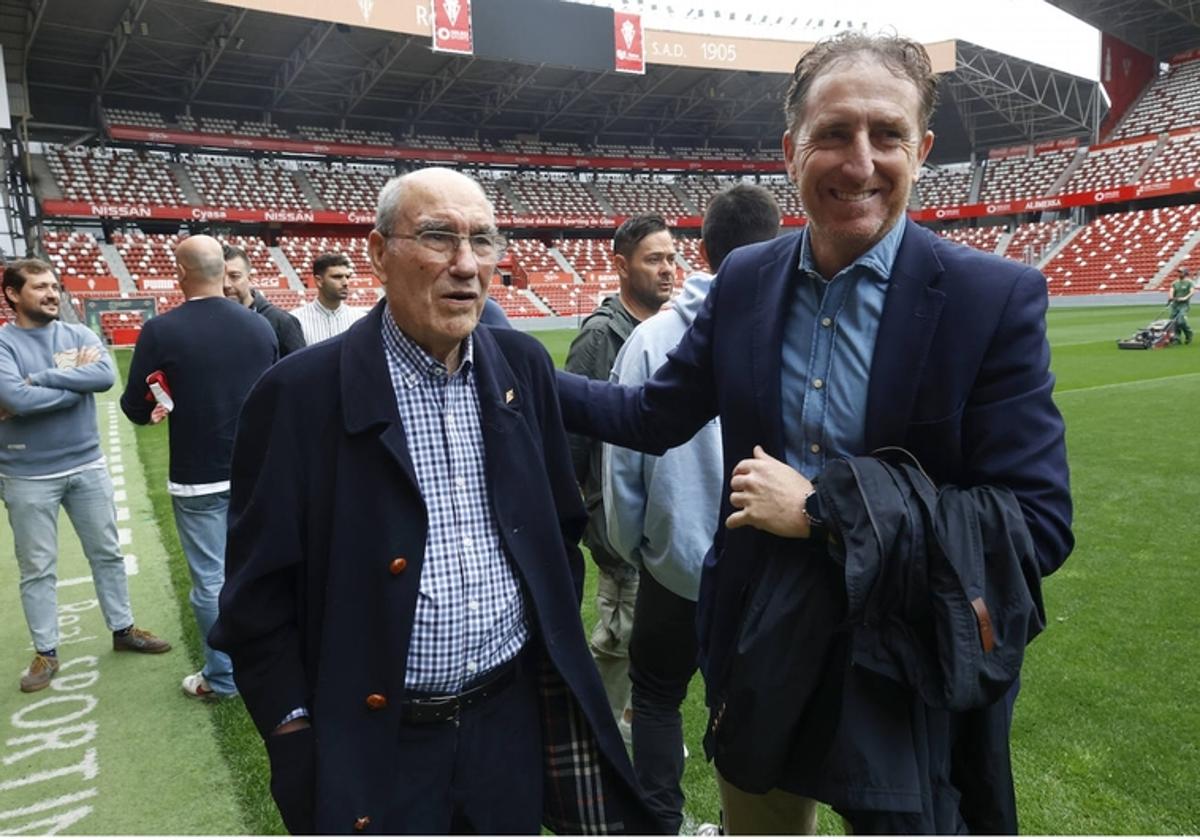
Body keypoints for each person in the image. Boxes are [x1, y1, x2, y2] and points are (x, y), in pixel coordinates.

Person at [557, 31, 1073, 834]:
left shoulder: (991, 298)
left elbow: (1036, 527)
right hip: (761, 636)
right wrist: (516, 375)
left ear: (922, 148)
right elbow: (655, 416)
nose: (860, 163)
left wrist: (824, 513)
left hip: (912, 659)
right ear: (791, 147)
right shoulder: (747, 279)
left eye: (887, 135)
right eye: (834, 133)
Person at [210, 167, 661, 835]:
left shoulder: (523, 366)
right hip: (378, 744)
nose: (466, 264)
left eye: (483, 240)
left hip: (508, 727)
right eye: (438, 237)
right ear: (377, 252)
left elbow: (557, 530)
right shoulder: (298, 396)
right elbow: (255, 602)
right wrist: (294, 735)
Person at [602, 184, 781, 832]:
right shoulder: (802, 333)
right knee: (757, 703)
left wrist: (637, 550)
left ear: (701, 251)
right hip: (768, 571)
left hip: (675, 567)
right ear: (783, 239)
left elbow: (622, 468)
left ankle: (658, 826)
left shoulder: (651, 340)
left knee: (655, 696)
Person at [1, 259, 170, 693]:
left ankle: (123, 628)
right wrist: (70, 389)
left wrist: (41, 379)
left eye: (54, 285)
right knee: (37, 566)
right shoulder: (4, 344)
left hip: (87, 463)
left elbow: (103, 377)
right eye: (39, 287)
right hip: (27, 473)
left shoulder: (77, 333)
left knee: (107, 553)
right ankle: (47, 651)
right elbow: (12, 397)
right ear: (13, 295)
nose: (51, 293)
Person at [120, 235, 277, 700]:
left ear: (181, 273)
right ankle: (269, 660)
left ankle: (224, 677)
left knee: (210, 580)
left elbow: (134, 404)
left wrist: (158, 403)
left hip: (198, 473)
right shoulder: (258, 326)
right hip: (255, 470)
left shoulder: (161, 331)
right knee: (256, 571)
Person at [565, 212, 677, 742]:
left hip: (663, 524)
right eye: (654, 259)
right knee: (617, 637)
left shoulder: (672, 330)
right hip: (618, 527)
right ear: (621, 266)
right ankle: (601, 734)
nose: (667, 269)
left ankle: (638, 724)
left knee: (650, 640)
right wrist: (596, 528)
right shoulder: (598, 339)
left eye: (672, 258)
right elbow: (571, 448)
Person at [222, 244, 305, 357]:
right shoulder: (208, 321)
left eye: (234, 276)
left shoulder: (282, 322)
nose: (226, 284)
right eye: (220, 277)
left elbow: (299, 370)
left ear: (249, 279)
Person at [290, 252, 365, 345]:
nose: (345, 282)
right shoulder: (296, 320)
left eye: (347, 277)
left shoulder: (360, 320)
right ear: (319, 281)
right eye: (337, 277)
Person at [1168, 266, 1194, 345]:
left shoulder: (1189, 282)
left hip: (1184, 305)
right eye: (1178, 272)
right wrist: (1171, 297)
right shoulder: (1175, 283)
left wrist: (1185, 297)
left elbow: (1192, 291)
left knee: (1181, 321)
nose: (1179, 273)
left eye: (1181, 272)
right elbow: (1171, 291)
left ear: (1185, 273)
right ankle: (1177, 338)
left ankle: (1189, 333)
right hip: (1175, 305)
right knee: (1173, 322)